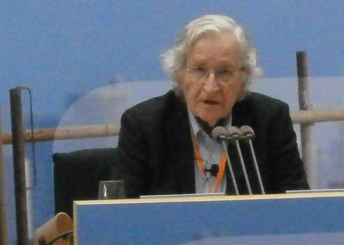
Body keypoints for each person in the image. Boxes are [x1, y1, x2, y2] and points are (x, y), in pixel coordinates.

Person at [114, 14, 309, 198]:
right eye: (199, 70)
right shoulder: (144, 125)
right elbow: (123, 214)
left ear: (243, 78)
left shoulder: (269, 120)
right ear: (180, 75)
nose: (211, 86)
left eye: (224, 72)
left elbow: (296, 206)